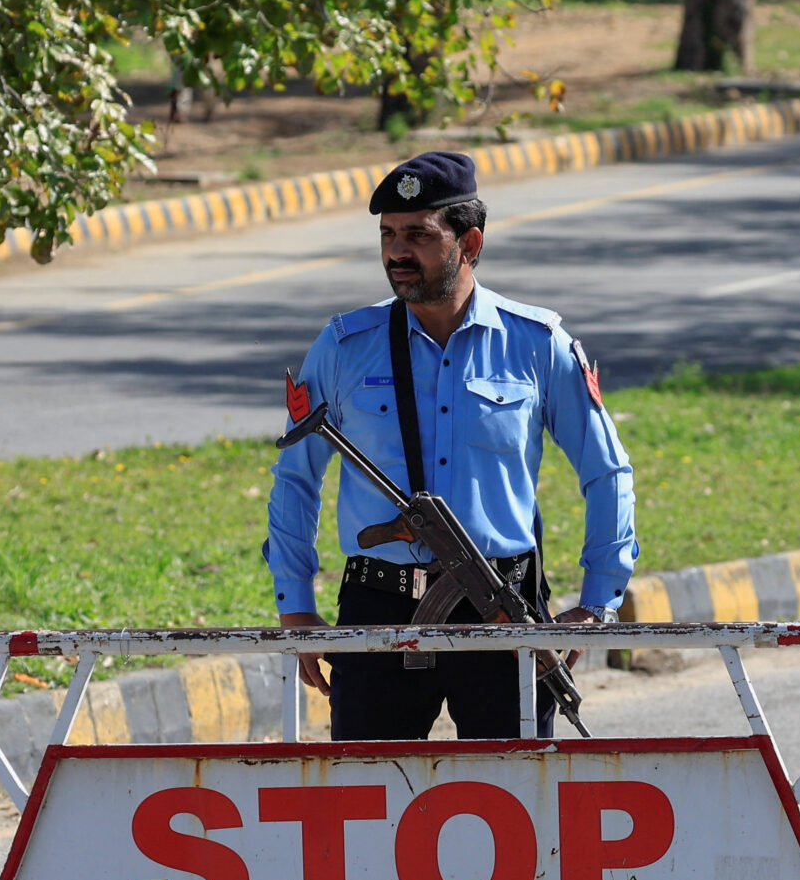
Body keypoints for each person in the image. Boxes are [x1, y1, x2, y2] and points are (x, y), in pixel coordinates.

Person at [267, 151, 635, 739]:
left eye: (417, 235)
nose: (396, 252)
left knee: (516, 801)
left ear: (470, 243)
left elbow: (607, 471)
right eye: (387, 235)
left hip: (500, 601)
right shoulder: (344, 346)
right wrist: (295, 604)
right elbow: (295, 478)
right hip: (377, 607)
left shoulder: (536, 343)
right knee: (367, 799)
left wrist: (598, 601)